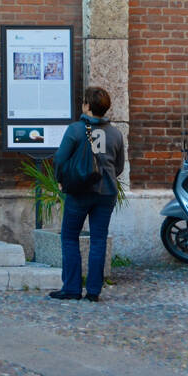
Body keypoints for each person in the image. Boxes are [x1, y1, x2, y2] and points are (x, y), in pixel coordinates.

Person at [48, 86, 125, 302]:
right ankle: (93, 291)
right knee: (98, 240)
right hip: (106, 192)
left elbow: (60, 159)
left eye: (84, 102)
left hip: (79, 192)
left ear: (87, 106)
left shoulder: (75, 129)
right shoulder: (116, 134)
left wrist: (61, 181)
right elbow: (118, 167)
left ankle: (72, 288)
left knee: (70, 237)